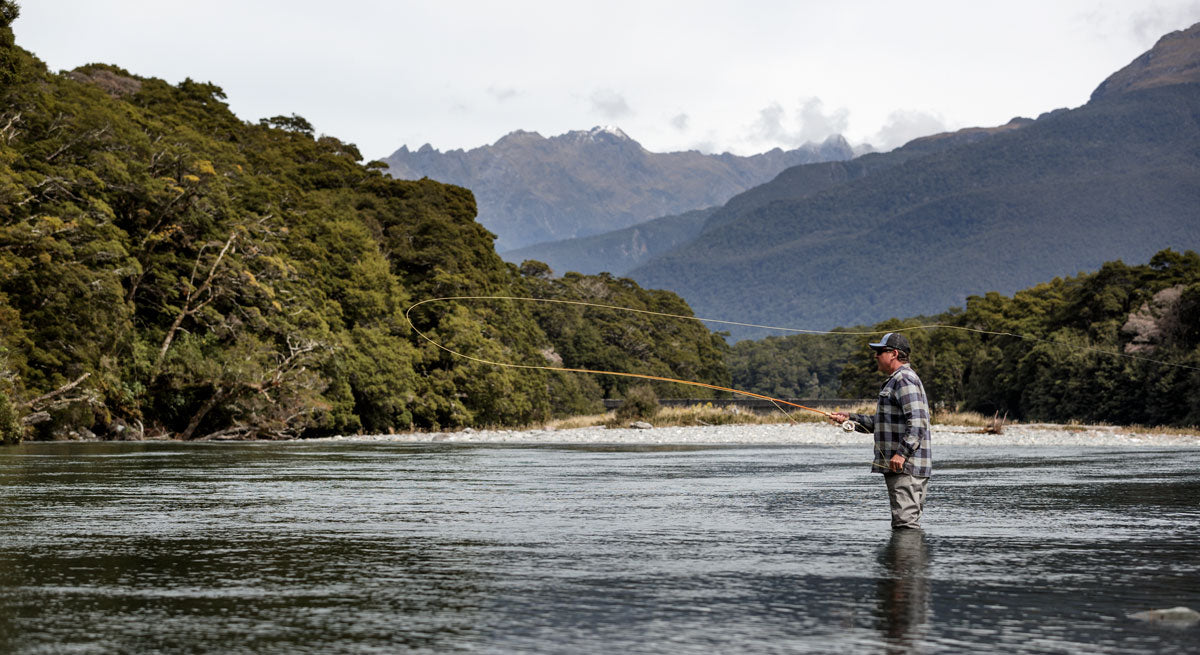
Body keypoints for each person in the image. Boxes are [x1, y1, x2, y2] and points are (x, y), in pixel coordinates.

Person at [829, 333, 931, 529]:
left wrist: (902, 453)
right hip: (902, 467)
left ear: (893, 354)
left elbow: (918, 420)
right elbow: (882, 423)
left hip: (906, 467)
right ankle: (903, 560)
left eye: (879, 351)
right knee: (904, 523)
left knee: (905, 524)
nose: (875, 356)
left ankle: (906, 560)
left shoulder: (904, 379)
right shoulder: (896, 380)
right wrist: (850, 418)